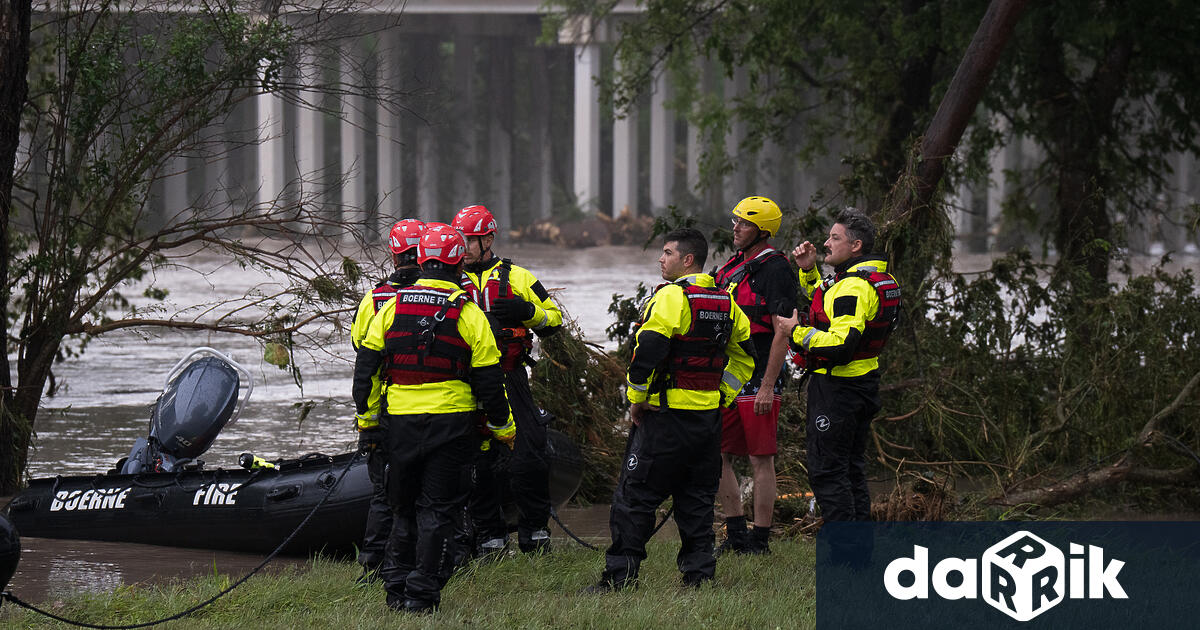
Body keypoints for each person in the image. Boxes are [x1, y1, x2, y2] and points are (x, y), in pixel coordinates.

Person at [352, 222, 516, 614]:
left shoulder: (389, 306)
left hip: (400, 425)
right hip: (451, 426)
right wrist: (504, 429)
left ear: (421, 261)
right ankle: (421, 595)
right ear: (459, 264)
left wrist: (368, 424)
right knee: (438, 511)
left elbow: (366, 372)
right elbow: (490, 382)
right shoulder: (469, 313)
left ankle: (395, 590)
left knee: (402, 508)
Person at [585, 228, 755, 592]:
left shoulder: (672, 297)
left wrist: (636, 398)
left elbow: (647, 348)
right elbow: (746, 358)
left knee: (635, 497)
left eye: (667, 253)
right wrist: (722, 395)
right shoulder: (726, 302)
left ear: (687, 260)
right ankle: (699, 577)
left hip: (665, 421)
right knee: (696, 500)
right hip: (706, 424)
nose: (661, 259)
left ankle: (620, 578)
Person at [451, 204, 563, 556]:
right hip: (467, 384)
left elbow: (555, 320)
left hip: (511, 377)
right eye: (459, 241)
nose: (463, 248)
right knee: (477, 460)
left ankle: (535, 532)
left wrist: (527, 311)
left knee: (529, 454)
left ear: (487, 240)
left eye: (469, 241)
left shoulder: (519, 278)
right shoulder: (450, 281)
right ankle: (489, 536)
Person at [779, 207, 900, 526]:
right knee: (851, 469)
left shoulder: (853, 287)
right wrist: (808, 271)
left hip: (839, 391)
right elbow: (827, 304)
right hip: (863, 384)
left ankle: (845, 550)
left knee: (828, 473)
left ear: (856, 245)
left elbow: (840, 344)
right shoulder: (877, 279)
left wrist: (795, 331)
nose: (826, 243)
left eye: (834, 238)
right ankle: (860, 547)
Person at [712, 195, 797, 555]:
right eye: (736, 221)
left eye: (744, 223)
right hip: (730, 377)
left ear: (762, 231)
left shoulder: (777, 270)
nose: (736, 228)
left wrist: (767, 386)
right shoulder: (733, 266)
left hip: (761, 376)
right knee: (718, 453)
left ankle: (760, 540)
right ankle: (735, 534)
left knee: (761, 458)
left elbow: (783, 332)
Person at [349, 218, 425, 586]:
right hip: (436, 414)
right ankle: (433, 562)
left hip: (384, 412)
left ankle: (373, 566)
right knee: (434, 493)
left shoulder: (375, 299)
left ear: (393, 255)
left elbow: (360, 349)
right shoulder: (450, 298)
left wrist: (367, 422)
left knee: (383, 493)